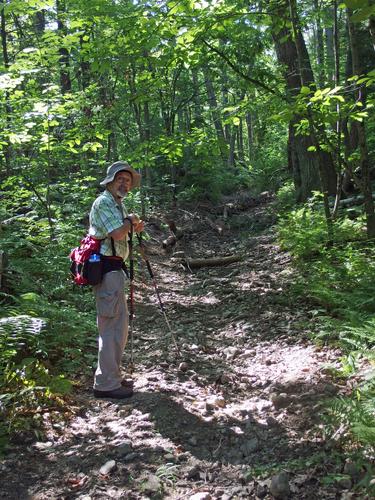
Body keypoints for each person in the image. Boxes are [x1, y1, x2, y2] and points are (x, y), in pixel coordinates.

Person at [89, 160, 144, 399]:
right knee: (111, 327)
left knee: (118, 327)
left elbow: (125, 231)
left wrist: (133, 224)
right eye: (119, 179)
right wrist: (130, 223)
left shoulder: (117, 204)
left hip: (114, 269)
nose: (124, 183)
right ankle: (106, 384)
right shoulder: (104, 202)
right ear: (110, 182)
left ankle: (113, 378)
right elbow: (117, 232)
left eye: (127, 180)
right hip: (107, 270)